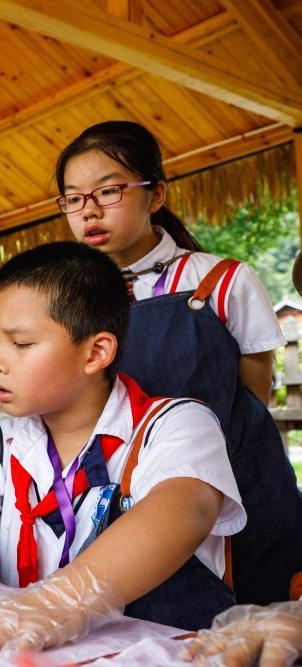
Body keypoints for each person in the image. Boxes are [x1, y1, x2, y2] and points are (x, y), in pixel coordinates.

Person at [0, 243, 246, 656]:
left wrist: (64, 598)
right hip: (32, 660)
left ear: (96, 352)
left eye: (21, 344)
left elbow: (183, 508)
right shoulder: (8, 440)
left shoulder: (174, 425)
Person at [53, 121, 302, 604]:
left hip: (233, 493)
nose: (90, 212)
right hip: (116, 498)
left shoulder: (222, 281)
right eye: (74, 199)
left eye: (108, 192)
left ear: (156, 194)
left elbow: (250, 403)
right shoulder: (64, 301)